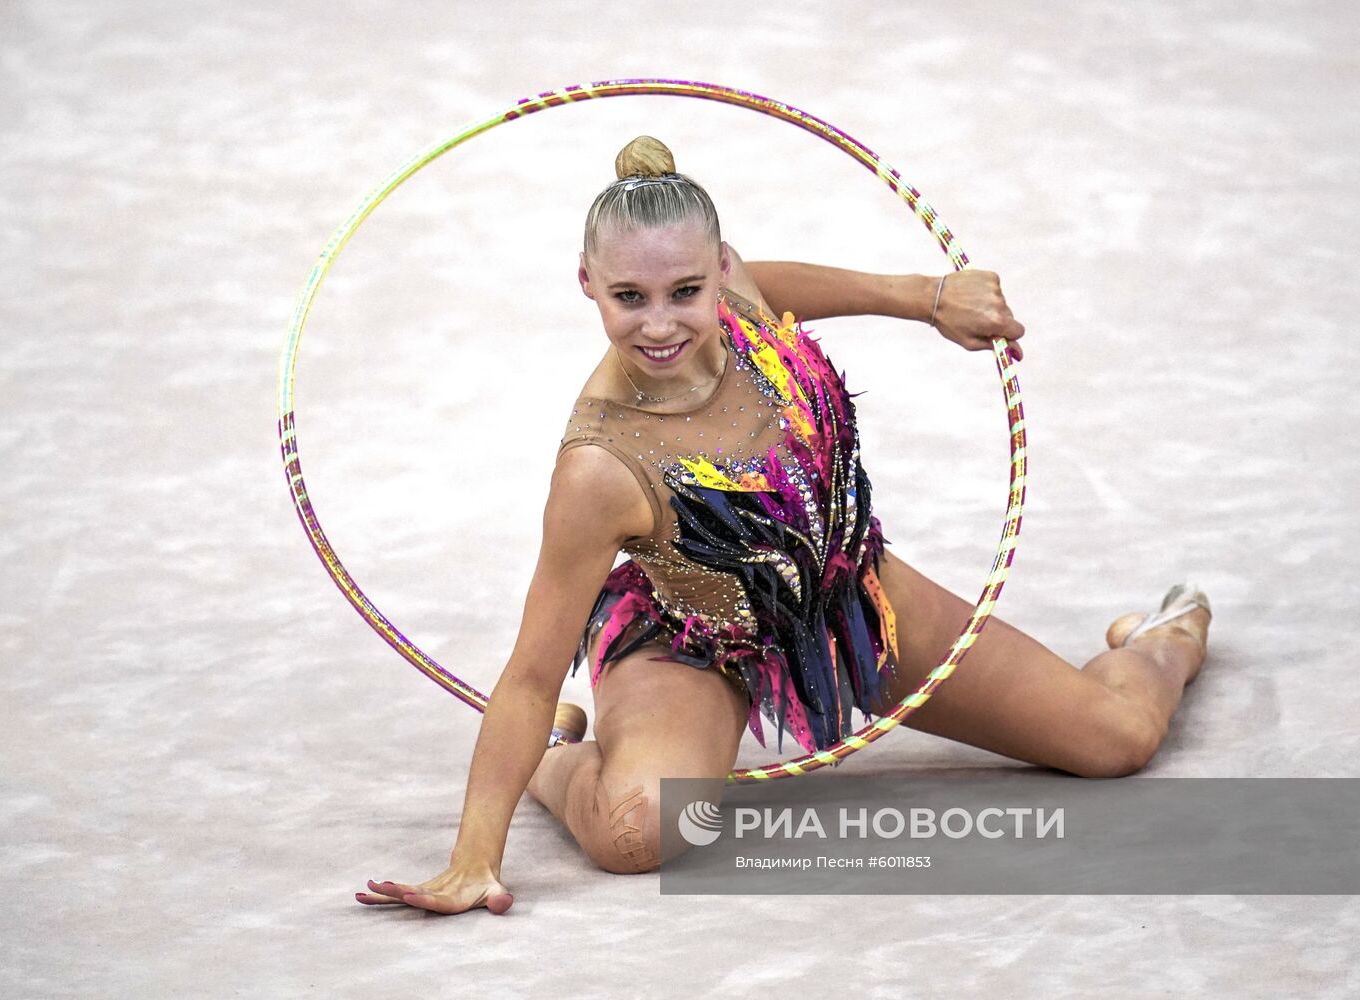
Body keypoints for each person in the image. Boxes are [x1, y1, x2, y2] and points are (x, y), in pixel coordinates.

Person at [355, 136, 1212, 916]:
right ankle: (556, 757)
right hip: (696, 639)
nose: (660, 325)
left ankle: (1166, 635)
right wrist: (473, 858)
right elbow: (531, 669)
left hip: (851, 595)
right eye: (628, 297)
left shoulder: (740, 305)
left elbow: (781, 286)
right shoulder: (599, 466)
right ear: (586, 283)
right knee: (634, 835)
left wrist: (925, 296)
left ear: (721, 270)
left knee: (1116, 742)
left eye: (685, 291)